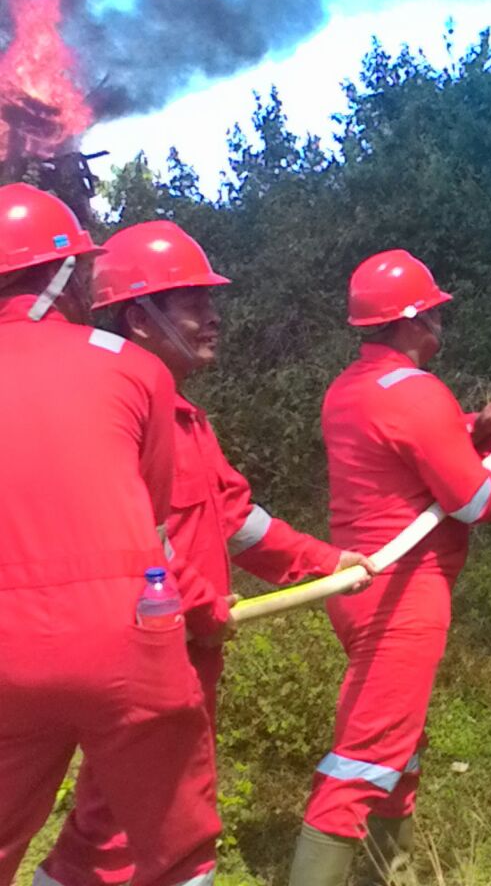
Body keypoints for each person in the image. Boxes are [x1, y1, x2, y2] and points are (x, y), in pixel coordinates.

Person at [37, 220, 375, 886]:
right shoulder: (106, 416)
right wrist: (198, 605)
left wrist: (326, 563)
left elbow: (238, 519)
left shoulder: (186, 421)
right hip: (144, 660)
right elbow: (131, 541)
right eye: (192, 302)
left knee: (107, 831)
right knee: (165, 836)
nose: (212, 318)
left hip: (185, 658)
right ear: (139, 317)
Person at [289, 249, 491, 885]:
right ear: (412, 320)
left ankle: (392, 877)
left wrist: (476, 426)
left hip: (358, 585)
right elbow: (471, 500)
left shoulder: (352, 389)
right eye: (434, 310)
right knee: (365, 759)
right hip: (404, 596)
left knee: (397, 750)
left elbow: (406, 452)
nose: (441, 320)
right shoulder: (418, 393)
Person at [0, 185, 221, 886]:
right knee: (175, 850)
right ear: (64, 275)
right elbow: (150, 520)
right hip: (128, 641)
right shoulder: (135, 369)